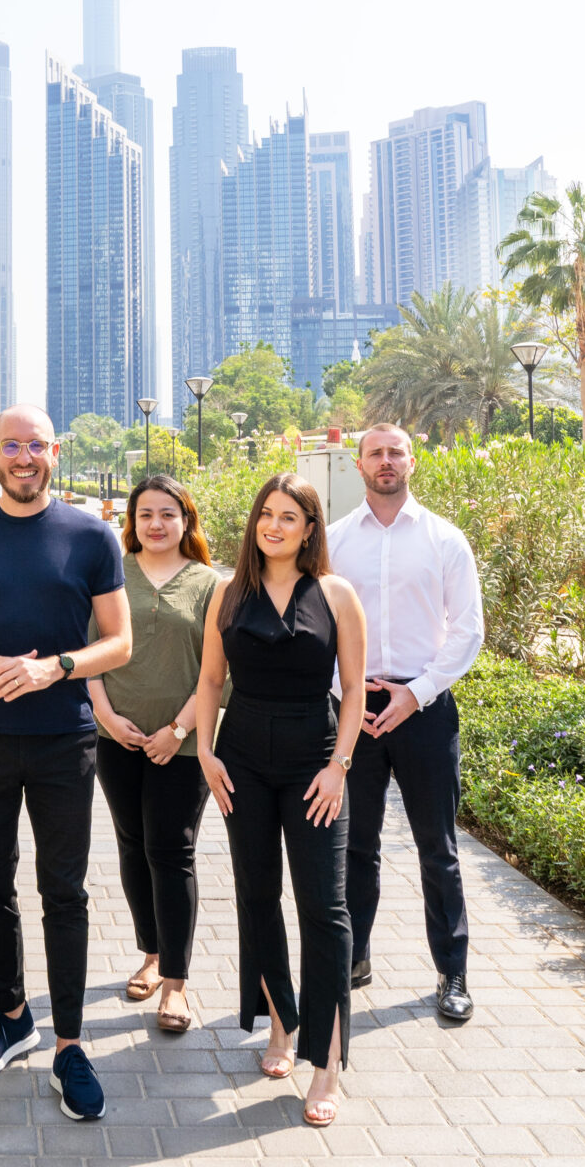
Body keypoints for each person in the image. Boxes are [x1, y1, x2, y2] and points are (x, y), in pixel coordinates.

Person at [0, 405, 132, 1122]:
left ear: (54, 452)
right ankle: (12, 1016)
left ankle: (69, 1045)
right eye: (10, 445)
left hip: (63, 738)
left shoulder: (90, 535)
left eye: (35, 445)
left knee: (63, 891)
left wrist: (57, 668)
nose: (23, 456)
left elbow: (119, 642)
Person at [197, 473, 365, 1127]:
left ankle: (327, 1064)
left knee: (324, 908)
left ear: (309, 528)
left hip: (313, 763)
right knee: (257, 896)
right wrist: (205, 752)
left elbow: (353, 689)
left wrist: (338, 767)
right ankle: (279, 1023)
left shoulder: (336, 594)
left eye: (288, 516)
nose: (273, 525)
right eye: (266, 514)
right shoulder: (227, 592)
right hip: (241, 760)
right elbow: (211, 679)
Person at [327, 423, 484, 1023]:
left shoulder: (446, 539)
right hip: (356, 710)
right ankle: (354, 958)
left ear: (412, 462)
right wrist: (346, 692)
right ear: (359, 465)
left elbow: (468, 630)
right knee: (354, 846)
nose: (386, 461)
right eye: (376, 453)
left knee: (438, 848)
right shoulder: (335, 542)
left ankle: (452, 972)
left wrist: (415, 695)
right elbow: (319, 626)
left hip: (425, 710)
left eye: (396, 452)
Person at [88, 474, 221, 1033]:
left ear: (186, 520)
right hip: (117, 740)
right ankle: (150, 953)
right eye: (145, 514)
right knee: (133, 846)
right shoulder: (112, 575)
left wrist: (177, 729)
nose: (156, 524)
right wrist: (106, 718)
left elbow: (218, 671)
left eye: (168, 513)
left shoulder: (210, 585)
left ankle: (176, 984)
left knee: (172, 851)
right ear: (132, 521)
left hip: (183, 746)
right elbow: (90, 653)